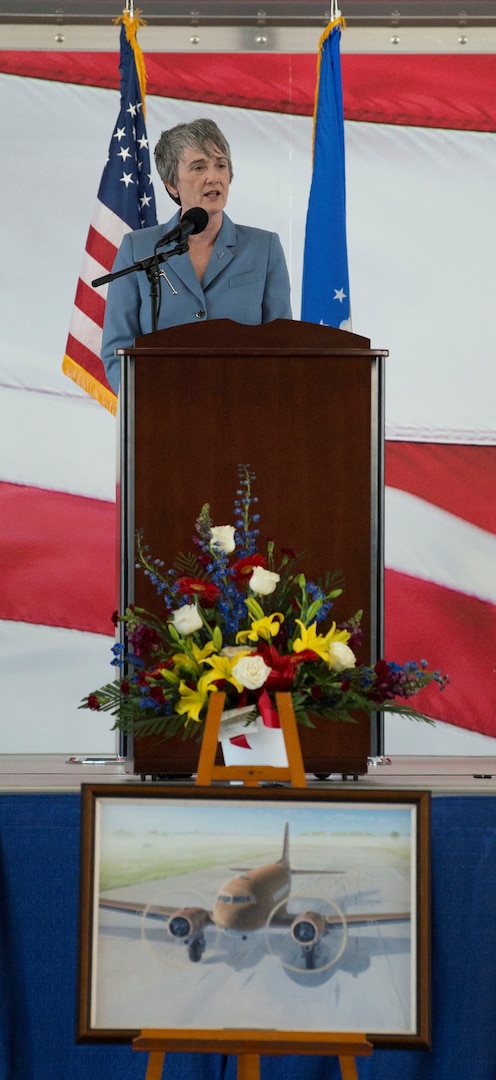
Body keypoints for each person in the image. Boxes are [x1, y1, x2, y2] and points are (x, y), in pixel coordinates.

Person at [101, 118, 292, 393]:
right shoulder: (139, 248)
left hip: (245, 416)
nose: (213, 176)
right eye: (199, 167)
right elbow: (116, 351)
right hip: (164, 419)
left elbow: (282, 346)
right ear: (171, 184)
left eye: (221, 165)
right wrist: (150, 408)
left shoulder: (264, 248)